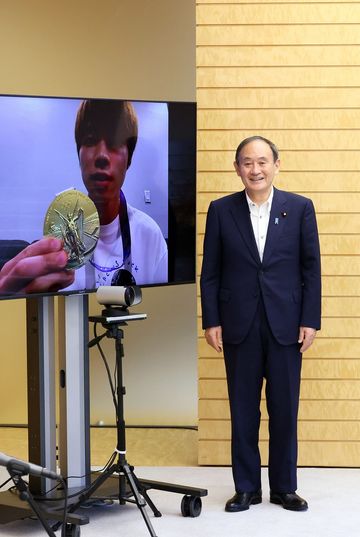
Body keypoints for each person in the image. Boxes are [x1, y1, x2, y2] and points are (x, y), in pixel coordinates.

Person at [200, 136, 321, 513]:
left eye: (262, 162)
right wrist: (212, 320)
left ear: (276, 165)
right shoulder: (221, 210)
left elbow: (310, 269)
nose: (256, 169)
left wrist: (310, 320)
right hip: (239, 324)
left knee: (284, 409)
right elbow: (211, 273)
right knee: (244, 410)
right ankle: (247, 488)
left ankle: (285, 488)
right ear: (237, 168)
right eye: (248, 163)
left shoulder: (299, 208)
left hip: (286, 323)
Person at [66, 98, 168, 290]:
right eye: (90, 140)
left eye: (115, 142)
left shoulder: (150, 235)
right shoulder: (59, 238)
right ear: (78, 155)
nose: (102, 156)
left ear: (128, 159)